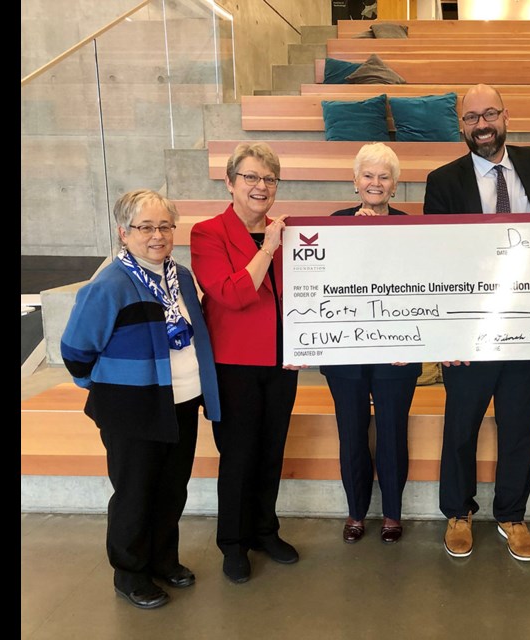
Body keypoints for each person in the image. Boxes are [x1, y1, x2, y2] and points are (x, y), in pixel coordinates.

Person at [423, 84, 530, 562]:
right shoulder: (442, 180)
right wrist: (445, 332)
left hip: (529, 323)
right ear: (461, 126)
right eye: (471, 118)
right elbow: (436, 262)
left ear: (506, 115)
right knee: (461, 425)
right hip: (471, 329)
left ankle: (512, 514)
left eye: (489, 114)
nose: (481, 125)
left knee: (521, 424)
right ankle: (458, 513)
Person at [61, 189, 221, 609]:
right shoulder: (111, 283)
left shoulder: (181, 276)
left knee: (172, 488)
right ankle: (130, 574)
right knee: (134, 492)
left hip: (181, 402)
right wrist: (106, 388)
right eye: (145, 227)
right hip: (131, 409)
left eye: (165, 226)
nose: (157, 236)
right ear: (123, 232)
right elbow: (76, 350)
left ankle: (163, 559)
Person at [189, 142, 300, 584]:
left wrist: (303, 346)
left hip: (280, 363)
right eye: (251, 177)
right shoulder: (207, 233)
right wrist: (268, 248)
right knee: (238, 455)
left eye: (269, 179)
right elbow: (233, 295)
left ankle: (264, 530)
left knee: (271, 451)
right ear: (230, 182)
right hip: (233, 365)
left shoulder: (288, 232)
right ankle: (233, 543)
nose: (260, 187)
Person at [322, 143, 421, 544]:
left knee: (394, 431)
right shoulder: (333, 224)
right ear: (355, 182)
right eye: (368, 175)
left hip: (397, 350)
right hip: (345, 350)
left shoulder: (414, 228)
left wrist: (411, 341)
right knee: (352, 431)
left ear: (395, 186)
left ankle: (393, 514)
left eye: (384, 176)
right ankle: (356, 511)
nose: (375, 183)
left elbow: (420, 290)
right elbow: (324, 286)